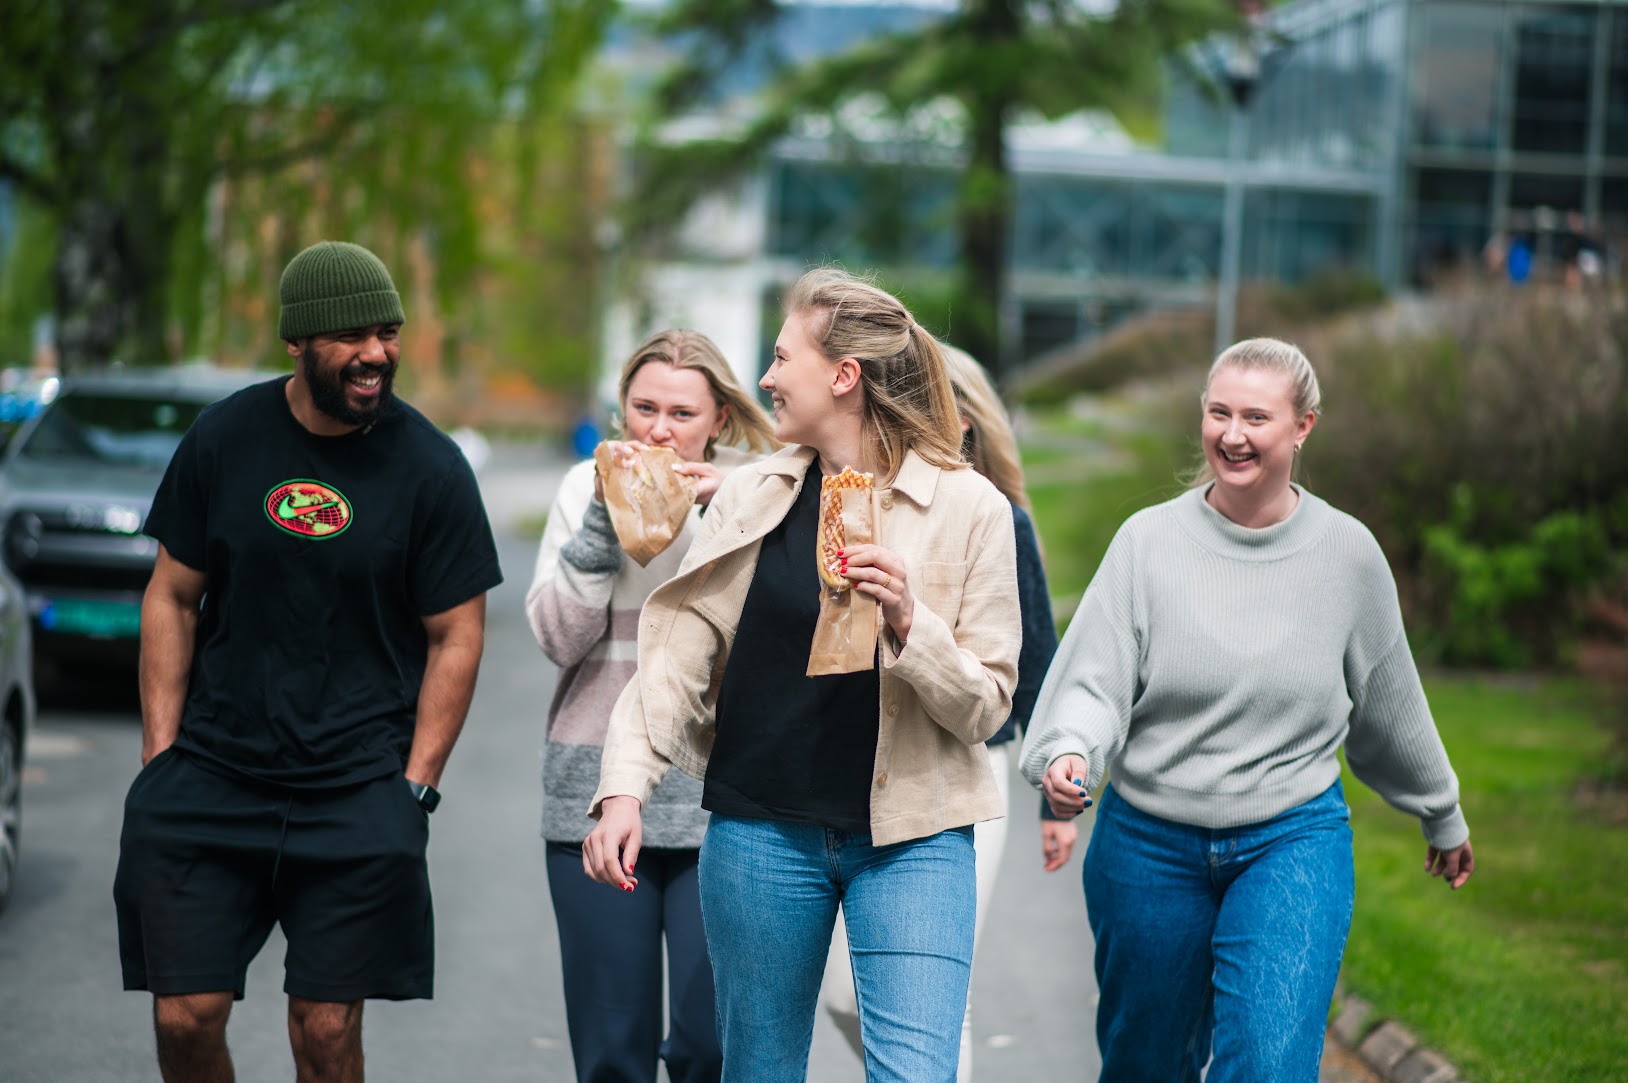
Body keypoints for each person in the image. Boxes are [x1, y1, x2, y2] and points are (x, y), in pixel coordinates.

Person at [583, 267, 1021, 1083]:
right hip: (761, 834)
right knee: (760, 1072)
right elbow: (677, 659)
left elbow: (987, 704)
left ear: (844, 376)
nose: (767, 378)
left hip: (914, 838)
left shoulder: (972, 509)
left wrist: (908, 624)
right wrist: (622, 792)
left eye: (783, 358)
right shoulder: (752, 494)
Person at [1020, 337, 1475, 1083]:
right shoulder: (1147, 543)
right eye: (1219, 412)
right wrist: (1071, 752)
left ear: (1303, 427)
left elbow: (1392, 700)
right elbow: (1095, 682)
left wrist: (1442, 808)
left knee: (1266, 1062)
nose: (1232, 434)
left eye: (1256, 417)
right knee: (1146, 1064)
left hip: (1289, 839)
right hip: (1148, 845)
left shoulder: (1347, 555)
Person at [114, 240, 503, 1083]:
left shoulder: (430, 468)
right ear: (297, 341)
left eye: (388, 332)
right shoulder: (225, 437)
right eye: (352, 335)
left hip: (356, 787)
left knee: (324, 1033)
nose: (376, 354)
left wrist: (417, 785)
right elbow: (172, 595)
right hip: (215, 772)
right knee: (185, 1016)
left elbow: (457, 636)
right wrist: (159, 753)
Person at [525, 329, 778, 1083]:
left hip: (724, 801)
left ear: (720, 421)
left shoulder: (764, 490)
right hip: (594, 795)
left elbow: (780, 636)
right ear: (621, 411)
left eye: (680, 412)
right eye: (642, 409)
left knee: (709, 1049)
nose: (659, 430)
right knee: (613, 1056)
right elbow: (558, 640)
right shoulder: (582, 487)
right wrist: (606, 515)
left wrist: (720, 504)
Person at [819, 344, 1065, 1080]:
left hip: (968, 763)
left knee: (932, 996)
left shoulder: (996, 518)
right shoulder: (855, 506)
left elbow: (1035, 665)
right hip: (870, 766)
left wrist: (1058, 798)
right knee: (845, 994)